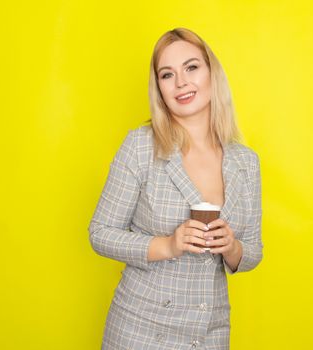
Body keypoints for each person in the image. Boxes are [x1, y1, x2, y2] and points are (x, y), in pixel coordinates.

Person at [88, 27, 263, 350]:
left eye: (192, 67)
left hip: (208, 331)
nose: (181, 82)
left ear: (212, 72)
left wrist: (231, 246)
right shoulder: (141, 146)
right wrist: (168, 245)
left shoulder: (245, 162)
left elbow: (252, 252)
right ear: (159, 89)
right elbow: (100, 232)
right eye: (167, 75)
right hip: (141, 330)